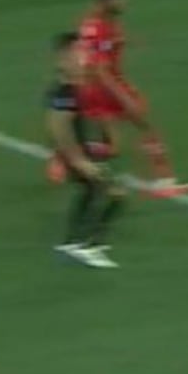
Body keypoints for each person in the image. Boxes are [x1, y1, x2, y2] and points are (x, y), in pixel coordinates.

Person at [46, 0, 188, 198]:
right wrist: (122, 96)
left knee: (113, 146)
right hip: (105, 86)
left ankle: (62, 158)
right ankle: (164, 181)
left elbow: (89, 50)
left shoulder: (90, 24)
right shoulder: (103, 28)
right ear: (102, 3)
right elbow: (101, 68)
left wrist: (122, 42)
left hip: (87, 86)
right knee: (144, 125)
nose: (122, 2)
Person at [47, 32, 126, 269]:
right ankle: (90, 245)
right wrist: (79, 161)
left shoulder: (71, 88)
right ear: (63, 58)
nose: (82, 57)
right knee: (115, 193)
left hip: (81, 152)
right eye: (76, 53)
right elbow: (59, 127)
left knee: (91, 192)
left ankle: (72, 241)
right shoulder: (65, 94)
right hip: (76, 155)